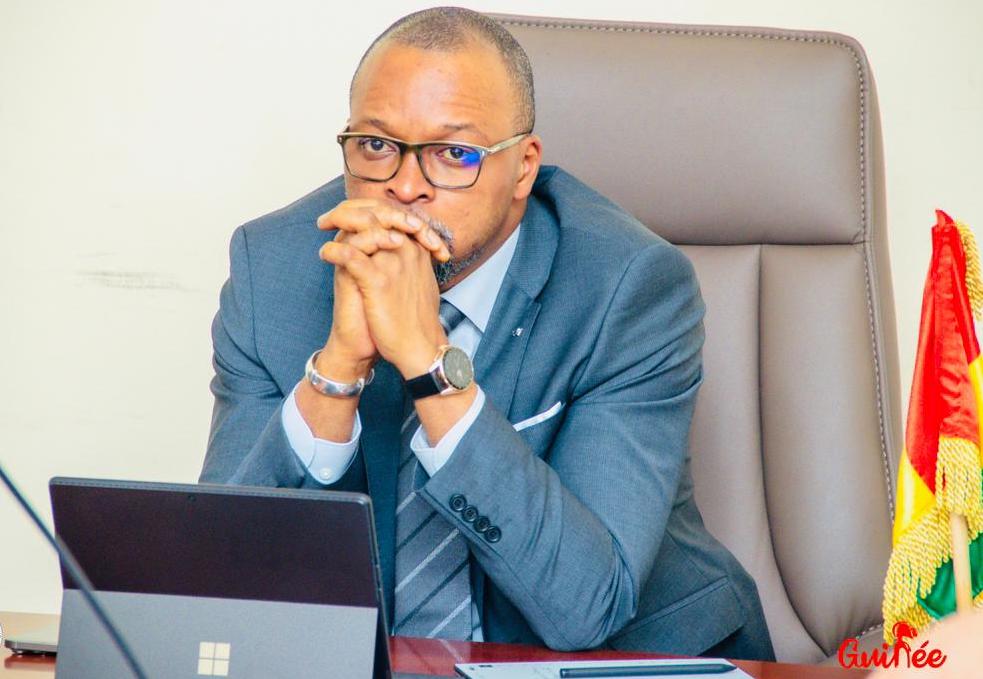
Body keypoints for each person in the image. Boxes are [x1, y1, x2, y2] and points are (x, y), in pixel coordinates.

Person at [199, 6, 774, 660]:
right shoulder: (272, 270)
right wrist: (336, 373)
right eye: (377, 146)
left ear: (523, 167)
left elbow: (586, 606)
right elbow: (215, 583)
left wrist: (428, 363)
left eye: (454, 154)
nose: (404, 187)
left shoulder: (626, 286)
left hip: (626, 661)